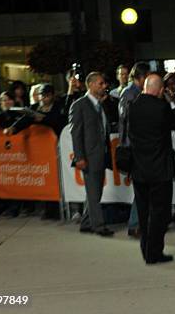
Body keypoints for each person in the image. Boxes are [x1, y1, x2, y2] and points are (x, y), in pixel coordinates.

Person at [128, 74, 175, 264]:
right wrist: (171, 103)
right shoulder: (162, 107)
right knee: (159, 214)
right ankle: (154, 253)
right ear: (160, 90)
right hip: (160, 170)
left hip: (139, 169)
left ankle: (146, 250)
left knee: (144, 213)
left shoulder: (133, 106)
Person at [69, 72, 114, 237]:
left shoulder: (99, 105)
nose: (104, 86)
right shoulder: (79, 105)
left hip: (100, 155)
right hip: (88, 156)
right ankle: (99, 226)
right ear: (91, 85)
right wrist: (79, 157)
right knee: (94, 193)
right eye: (101, 84)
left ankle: (87, 222)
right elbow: (76, 133)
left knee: (95, 192)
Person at [119, 61, 151, 238]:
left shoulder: (134, 93)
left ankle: (139, 223)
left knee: (143, 188)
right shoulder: (131, 94)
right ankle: (135, 224)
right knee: (141, 188)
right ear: (141, 77)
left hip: (134, 147)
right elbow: (129, 121)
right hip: (134, 148)